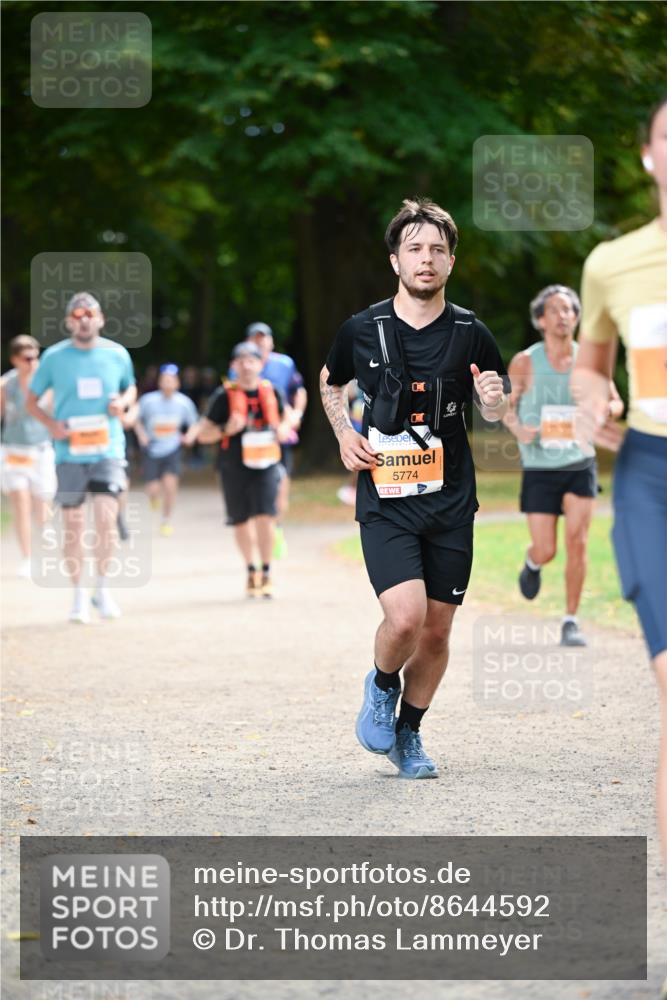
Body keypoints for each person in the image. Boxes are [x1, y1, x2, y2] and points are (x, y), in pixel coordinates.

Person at [320, 198, 509, 779]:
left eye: (437, 250)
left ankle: (410, 735)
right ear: (395, 261)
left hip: (451, 500)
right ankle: (381, 687)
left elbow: (493, 402)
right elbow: (330, 383)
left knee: (437, 630)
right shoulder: (362, 327)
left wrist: (496, 402)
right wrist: (345, 432)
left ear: (451, 262)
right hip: (387, 500)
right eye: (414, 249)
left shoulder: (472, 331)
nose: (426, 259)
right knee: (403, 619)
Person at [573, 96, 667, 866]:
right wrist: (591, 404)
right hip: (651, 478)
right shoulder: (611, 263)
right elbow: (588, 366)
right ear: (648, 155)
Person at [503, 285, 623, 647]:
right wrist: (519, 429)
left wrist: (605, 410)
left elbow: (616, 402)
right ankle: (533, 561)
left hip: (579, 460)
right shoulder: (525, 361)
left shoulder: (589, 360)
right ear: (540, 319)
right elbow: (505, 407)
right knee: (548, 548)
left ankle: (571, 620)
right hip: (540, 467)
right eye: (554, 310)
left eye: (570, 309)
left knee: (578, 540)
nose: (563, 315)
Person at [26, 292, 136, 623]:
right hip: (69, 452)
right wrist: (51, 425)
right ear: (68, 322)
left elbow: (130, 388)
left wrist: (123, 404)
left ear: (100, 319)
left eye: (90, 314)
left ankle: (101, 589)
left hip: (107, 448)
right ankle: (77, 597)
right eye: (77, 314)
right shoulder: (54, 358)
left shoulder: (117, 354)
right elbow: (33, 402)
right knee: (73, 526)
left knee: (105, 518)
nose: (84, 319)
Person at [198, 341, 290, 598]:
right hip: (233, 465)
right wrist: (227, 429)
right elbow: (203, 434)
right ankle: (251, 570)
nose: (247, 366)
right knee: (240, 520)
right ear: (233, 366)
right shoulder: (223, 396)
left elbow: (288, 417)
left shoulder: (272, 392)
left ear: (261, 364)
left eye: (252, 361)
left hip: (267, 462)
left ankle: (267, 570)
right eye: (241, 361)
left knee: (265, 516)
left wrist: (284, 428)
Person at [244, 322, 308, 557]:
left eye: (264, 339)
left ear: (271, 341)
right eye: (255, 339)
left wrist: (296, 415)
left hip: (281, 434)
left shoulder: (284, 364)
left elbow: (299, 391)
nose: (260, 343)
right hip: (253, 438)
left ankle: (276, 527)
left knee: (281, 484)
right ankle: (260, 533)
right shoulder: (241, 366)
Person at [0, 335, 57, 576]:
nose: (32, 362)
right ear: (15, 359)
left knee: (42, 502)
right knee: (20, 503)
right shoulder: (5, 385)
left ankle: (45, 527)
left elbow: (55, 414)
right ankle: (26, 557)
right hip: (14, 451)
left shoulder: (48, 384)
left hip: (40, 449)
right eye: (27, 358)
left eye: (35, 356)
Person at [134, 363, 200, 536]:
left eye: (172, 380)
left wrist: (190, 437)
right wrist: (142, 435)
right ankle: (154, 498)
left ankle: (166, 520)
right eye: (165, 380)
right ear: (159, 382)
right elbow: (135, 419)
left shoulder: (184, 403)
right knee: (153, 488)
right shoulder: (148, 400)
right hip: (152, 449)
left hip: (173, 449)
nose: (168, 383)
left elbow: (194, 424)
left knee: (170, 486)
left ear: (177, 383)